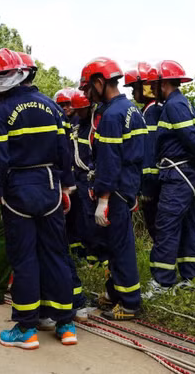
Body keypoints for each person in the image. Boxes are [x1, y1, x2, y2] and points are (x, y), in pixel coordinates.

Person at [0, 48, 78, 348]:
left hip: (18, 189)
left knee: (23, 259)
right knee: (56, 255)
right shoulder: (52, 107)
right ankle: (66, 324)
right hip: (50, 185)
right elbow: (65, 151)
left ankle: (26, 329)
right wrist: (65, 188)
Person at [145, 60, 195, 299]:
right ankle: (192, 277)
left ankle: (162, 282)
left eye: (155, 84)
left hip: (177, 177)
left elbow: (191, 139)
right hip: (185, 174)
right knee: (188, 227)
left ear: (163, 83)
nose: (152, 88)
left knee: (166, 225)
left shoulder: (174, 105)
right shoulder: (181, 103)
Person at [80, 57, 145, 321]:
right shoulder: (132, 110)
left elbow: (109, 160)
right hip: (128, 186)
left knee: (120, 246)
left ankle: (129, 303)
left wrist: (103, 198)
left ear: (99, 82)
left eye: (88, 88)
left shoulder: (111, 116)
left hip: (115, 190)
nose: (87, 95)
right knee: (117, 243)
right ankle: (115, 293)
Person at [125, 62, 163, 242]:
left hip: (153, 184)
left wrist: (146, 188)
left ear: (146, 87)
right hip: (158, 182)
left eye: (134, 88)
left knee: (157, 228)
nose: (133, 93)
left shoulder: (152, 112)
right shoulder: (151, 110)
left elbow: (149, 152)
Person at [65, 88, 96, 264]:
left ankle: (95, 256)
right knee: (77, 216)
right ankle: (81, 253)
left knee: (89, 217)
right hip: (76, 177)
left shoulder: (89, 123)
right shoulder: (73, 124)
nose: (66, 108)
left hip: (87, 176)